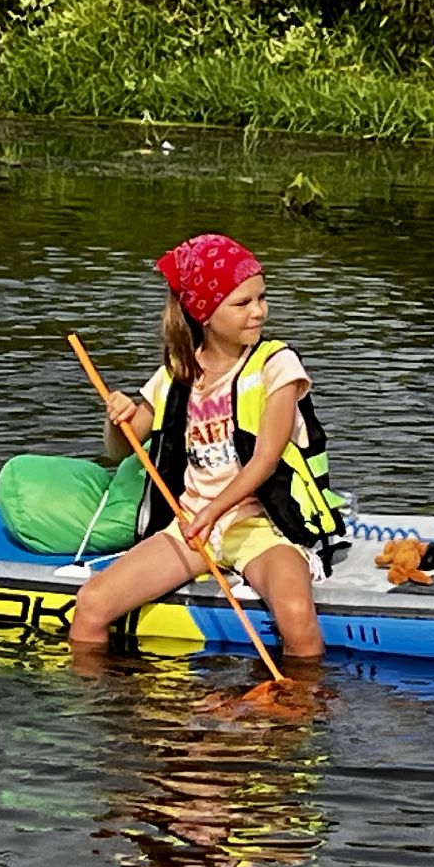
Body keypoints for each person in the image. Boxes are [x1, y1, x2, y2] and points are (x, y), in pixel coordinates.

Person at [69, 233, 344, 660]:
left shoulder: (277, 366)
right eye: (242, 303)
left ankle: (296, 715)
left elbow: (267, 458)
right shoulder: (178, 374)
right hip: (192, 528)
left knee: (295, 615)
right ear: (205, 313)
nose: (259, 312)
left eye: (261, 298)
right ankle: (110, 710)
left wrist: (213, 512)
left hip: (263, 529)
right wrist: (116, 418)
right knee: (91, 606)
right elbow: (122, 449)